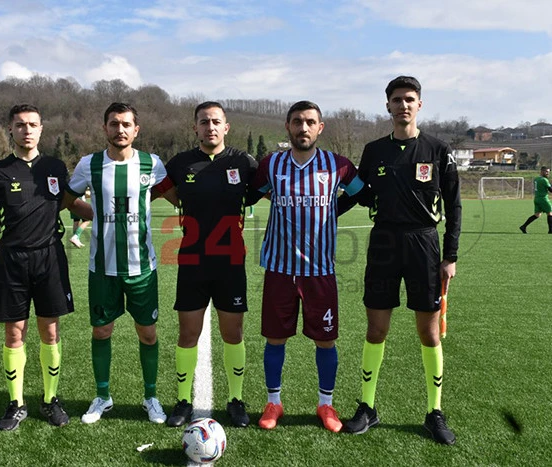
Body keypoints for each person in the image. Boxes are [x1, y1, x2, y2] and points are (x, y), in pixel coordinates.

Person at [341, 76, 462, 445]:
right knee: (376, 329)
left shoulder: (438, 150)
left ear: (419, 104)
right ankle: (367, 407)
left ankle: (434, 412)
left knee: (428, 332)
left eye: (409, 99)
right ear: (388, 106)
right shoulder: (374, 150)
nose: (403, 105)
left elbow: (455, 205)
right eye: (397, 100)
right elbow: (358, 193)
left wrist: (451, 255)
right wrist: (321, 213)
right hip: (383, 243)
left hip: (425, 244)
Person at [0, 103, 91, 431]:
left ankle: (50, 399)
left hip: (50, 258)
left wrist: (110, 213)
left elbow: (71, 204)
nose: (27, 130)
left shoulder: (55, 167)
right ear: (11, 129)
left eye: (33, 124)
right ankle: (17, 403)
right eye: (20, 125)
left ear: (41, 129)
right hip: (11, 260)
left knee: (50, 331)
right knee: (15, 332)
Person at [249, 100, 364, 432]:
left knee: (325, 341)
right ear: (287, 126)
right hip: (279, 269)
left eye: (310, 122)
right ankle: (273, 402)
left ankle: (326, 404)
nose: (303, 127)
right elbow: (251, 194)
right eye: (297, 121)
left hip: (320, 271)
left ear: (320, 128)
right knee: (275, 338)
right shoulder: (271, 164)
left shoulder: (338, 165)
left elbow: (359, 193)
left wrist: (333, 209)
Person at [62, 102, 178, 425]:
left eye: (126, 124)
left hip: (142, 269)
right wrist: (95, 213)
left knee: (148, 334)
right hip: (102, 269)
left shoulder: (152, 164)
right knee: (102, 331)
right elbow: (67, 201)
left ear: (136, 130)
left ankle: (151, 397)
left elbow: (177, 198)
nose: (120, 129)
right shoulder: (89, 164)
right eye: (114, 124)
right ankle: (103, 396)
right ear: (105, 128)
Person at [164, 101, 258, 428]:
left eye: (216, 121)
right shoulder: (180, 163)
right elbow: (165, 191)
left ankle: (236, 399)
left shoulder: (244, 162)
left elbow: (259, 191)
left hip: (231, 261)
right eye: (204, 122)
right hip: (192, 260)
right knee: (188, 332)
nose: (210, 127)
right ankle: (183, 401)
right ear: (195, 128)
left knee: (233, 333)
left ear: (226, 127)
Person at [519, 166, 552, 233]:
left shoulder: (536, 179)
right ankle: (551, 230)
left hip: (537, 199)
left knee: (537, 215)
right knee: (550, 213)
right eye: (546, 172)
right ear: (542, 171)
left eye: (548, 172)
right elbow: (550, 190)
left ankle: (523, 226)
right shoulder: (544, 180)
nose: (548, 173)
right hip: (543, 199)